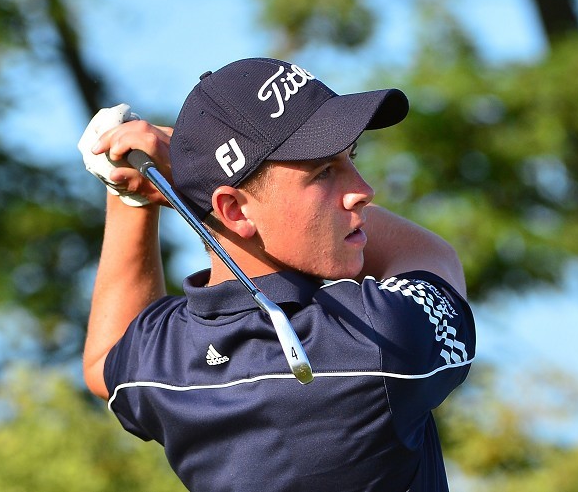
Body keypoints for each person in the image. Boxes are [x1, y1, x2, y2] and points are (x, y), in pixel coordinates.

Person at [81, 57, 476, 492]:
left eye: (351, 157)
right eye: (325, 172)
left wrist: (133, 192)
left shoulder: (165, 362)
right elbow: (429, 254)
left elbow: (105, 361)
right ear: (234, 210)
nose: (363, 191)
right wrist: (182, 177)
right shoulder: (376, 339)